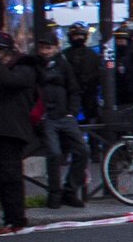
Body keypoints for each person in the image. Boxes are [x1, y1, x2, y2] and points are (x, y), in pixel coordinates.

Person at [0, 29, 41, 233]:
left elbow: (10, 82)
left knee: (10, 175)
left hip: (13, 127)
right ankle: (9, 218)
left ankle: (17, 219)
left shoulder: (25, 66)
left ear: (8, 51)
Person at [33, 29, 91, 207]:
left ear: (55, 48)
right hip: (47, 117)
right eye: (42, 48)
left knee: (82, 151)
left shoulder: (63, 65)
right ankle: (54, 193)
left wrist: (71, 112)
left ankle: (70, 190)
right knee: (54, 154)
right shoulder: (35, 65)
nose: (45, 51)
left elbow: (73, 88)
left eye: (48, 48)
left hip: (64, 115)